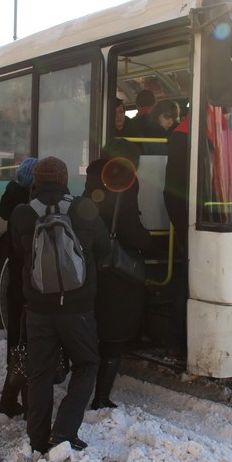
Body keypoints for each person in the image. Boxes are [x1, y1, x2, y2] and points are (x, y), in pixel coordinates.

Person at [10, 156, 110, 454]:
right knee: (87, 363)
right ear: (65, 179)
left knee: (40, 371)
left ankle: (37, 437)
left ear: (36, 180)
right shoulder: (84, 208)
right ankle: (64, 432)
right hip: (77, 308)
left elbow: (18, 253)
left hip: (39, 308)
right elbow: (104, 248)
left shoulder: (23, 213)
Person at [83, 140, 150, 409]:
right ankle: (101, 397)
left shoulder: (92, 178)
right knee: (114, 334)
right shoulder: (124, 181)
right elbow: (129, 227)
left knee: (95, 327)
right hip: (116, 270)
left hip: (93, 262)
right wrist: (149, 241)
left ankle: (84, 390)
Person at [0, 156, 37, 418]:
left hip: (16, 284)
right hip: (24, 285)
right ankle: (22, 402)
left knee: (18, 345)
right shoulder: (26, 209)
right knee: (25, 345)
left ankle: (9, 401)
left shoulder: (13, 203)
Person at [163, 116, 191, 360]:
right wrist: (185, 230)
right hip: (194, 224)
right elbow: (172, 191)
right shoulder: (183, 137)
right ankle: (174, 341)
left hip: (206, 221)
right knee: (186, 283)